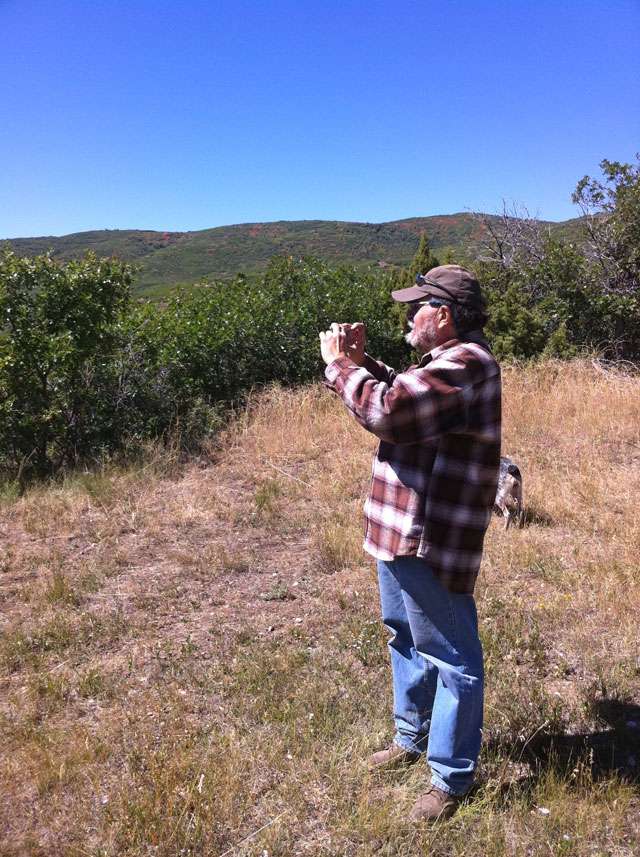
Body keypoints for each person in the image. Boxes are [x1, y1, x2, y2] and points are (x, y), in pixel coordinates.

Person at [319, 265, 501, 822]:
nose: (408, 316)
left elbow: (392, 411)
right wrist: (365, 365)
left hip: (429, 537)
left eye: (417, 306)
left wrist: (339, 365)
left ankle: (450, 777)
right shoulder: (447, 363)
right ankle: (411, 738)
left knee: (452, 656)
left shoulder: (469, 365)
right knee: (403, 636)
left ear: (443, 316)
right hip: (400, 531)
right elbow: (403, 391)